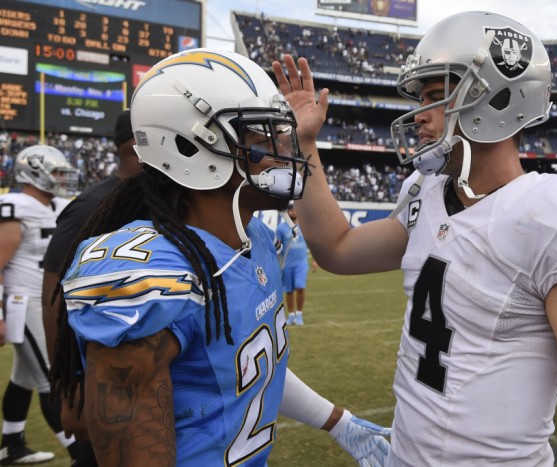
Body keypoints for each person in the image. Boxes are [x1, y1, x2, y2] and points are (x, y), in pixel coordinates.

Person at [273, 10, 557, 465]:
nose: (419, 117)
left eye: (434, 97)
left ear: (499, 100)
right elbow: (337, 248)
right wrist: (304, 144)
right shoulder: (426, 194)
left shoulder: (556, 215)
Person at [49, 48, 390, 466]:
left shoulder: (256, 239)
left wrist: (339, 422)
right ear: (192, 148)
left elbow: (246, 368)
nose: (286, 151)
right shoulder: (153, 274)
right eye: (263, 140)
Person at [41, 109, 140, 466]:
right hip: (104, 384)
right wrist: (70, 387)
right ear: (137, 144)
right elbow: (54, 295)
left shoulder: (173, 199)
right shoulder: (91, 208)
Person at [0, 145, 78, 464]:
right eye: (57, 172)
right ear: (34, 172)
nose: (62, 179)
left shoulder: (59, 205)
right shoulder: (15, 206)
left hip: (48, 300)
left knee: (24, 378)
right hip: (25, 300)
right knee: (50, 377)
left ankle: (11, 445)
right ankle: (80, 453)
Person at [277, 202, 316, 326]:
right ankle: (291, 315)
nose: (293, 212)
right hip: (287, 264)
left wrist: (316, 260)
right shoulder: (281, 228)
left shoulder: (305, 226)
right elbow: (276, 247)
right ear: (287, 212)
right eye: (291, 210)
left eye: (295, 209)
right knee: (288, 291)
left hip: (301, 263)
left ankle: (299, 314)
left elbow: (312, 245)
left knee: (300, 287)